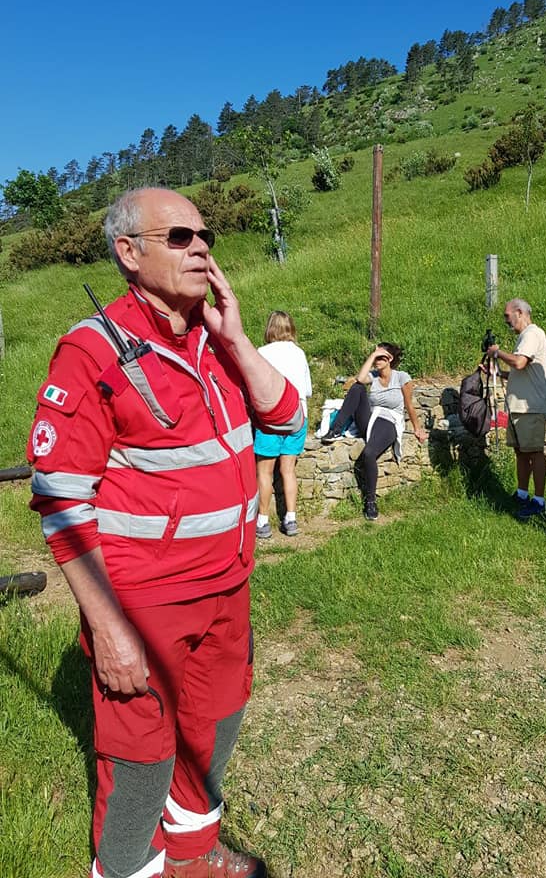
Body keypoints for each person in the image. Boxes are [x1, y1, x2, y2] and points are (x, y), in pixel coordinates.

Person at [27, 188, 302, 878]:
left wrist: (236, 335)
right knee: (142, 751)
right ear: (128, 252)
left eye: (204, 234)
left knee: (217, 722)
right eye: (179, 236)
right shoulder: (90, 352)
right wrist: (112, 629)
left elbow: (287, 420)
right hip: (145, 601)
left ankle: (192, 850)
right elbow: (60, 500)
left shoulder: (214, 336)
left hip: (229, 582)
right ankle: (126, 869)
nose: (202, 246)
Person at [321, 343, 428, 520]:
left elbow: (409, 405)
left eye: (381, 357)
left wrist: (417, 429)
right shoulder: (374, 376)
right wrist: (373, 355)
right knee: (357, 387)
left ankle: (370, 501)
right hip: (371, 418)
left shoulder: (401, 377)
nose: (377, 361)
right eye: (376, 357)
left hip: (388, 421)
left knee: (369, 453)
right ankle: (335, 430)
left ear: (390, 359)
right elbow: (360, 378)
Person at [486, 299, 546, 519]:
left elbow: (520, 363)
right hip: (519, 407)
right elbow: (520, 371)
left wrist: (497, 352)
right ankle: (522, 494)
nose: (506, 321)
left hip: (531, 407)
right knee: (521, 453)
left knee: (534, 452)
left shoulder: (532, 334)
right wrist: (496, 373)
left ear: (520, 312)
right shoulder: (525, 337)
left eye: (507, 316)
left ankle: (539, 501)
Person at [254, 311, 312, 538]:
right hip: (297, 417)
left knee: (265, 473)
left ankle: (263, 521)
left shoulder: (262, 353)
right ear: (290, 328)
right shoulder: (299, 353)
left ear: (269, 328)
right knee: (288, 470)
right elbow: (307, 390)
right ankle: (291, 518)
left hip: (270, 420)